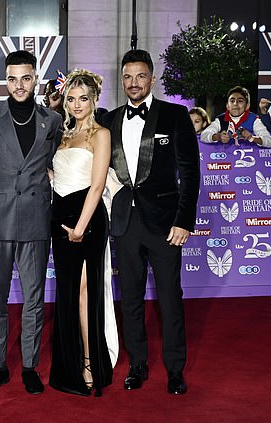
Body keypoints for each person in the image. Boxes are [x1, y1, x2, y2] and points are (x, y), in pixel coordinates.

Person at [101, 49, 200, 395]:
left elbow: (189, 172)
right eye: (127, 77)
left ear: (152, 79)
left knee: (170, 298)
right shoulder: (109, 120)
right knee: (130, 299)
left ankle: (175, 369)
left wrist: (184, 220)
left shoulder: (175, 115)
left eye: (140, 76)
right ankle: (138, 364)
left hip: (165, 225)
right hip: (125, 223)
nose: (133, 83)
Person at [0, 50, 63, 395]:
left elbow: (60, 164)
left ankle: (29, 366)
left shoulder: (51, 121)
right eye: (12, 78)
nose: (19, 85)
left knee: (34, 300)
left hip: (36, 221)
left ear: (35, 79)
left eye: (26, 78)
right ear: (5, 81)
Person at [48, 69, 118, 397]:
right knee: (67, 293)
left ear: (94, 100)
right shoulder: (63, 136)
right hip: (60, 217)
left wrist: (80, 227)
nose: (77, 105)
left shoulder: (100, 134)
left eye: (83, 99)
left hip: (87, 219)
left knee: (85, 294)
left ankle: (91, 363)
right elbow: (59, 176)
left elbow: (98, 185)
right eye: (71, 99)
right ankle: (69, 364)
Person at [200, 86, 271, 148]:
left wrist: (252, 138)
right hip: (226, 161)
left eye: (240, 101)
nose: (235, 104)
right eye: (232, 101)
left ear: (247, 106)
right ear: (227, 106)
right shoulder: (220, 119)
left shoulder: (254, 120)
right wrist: (217, 137)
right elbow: (203, 136)